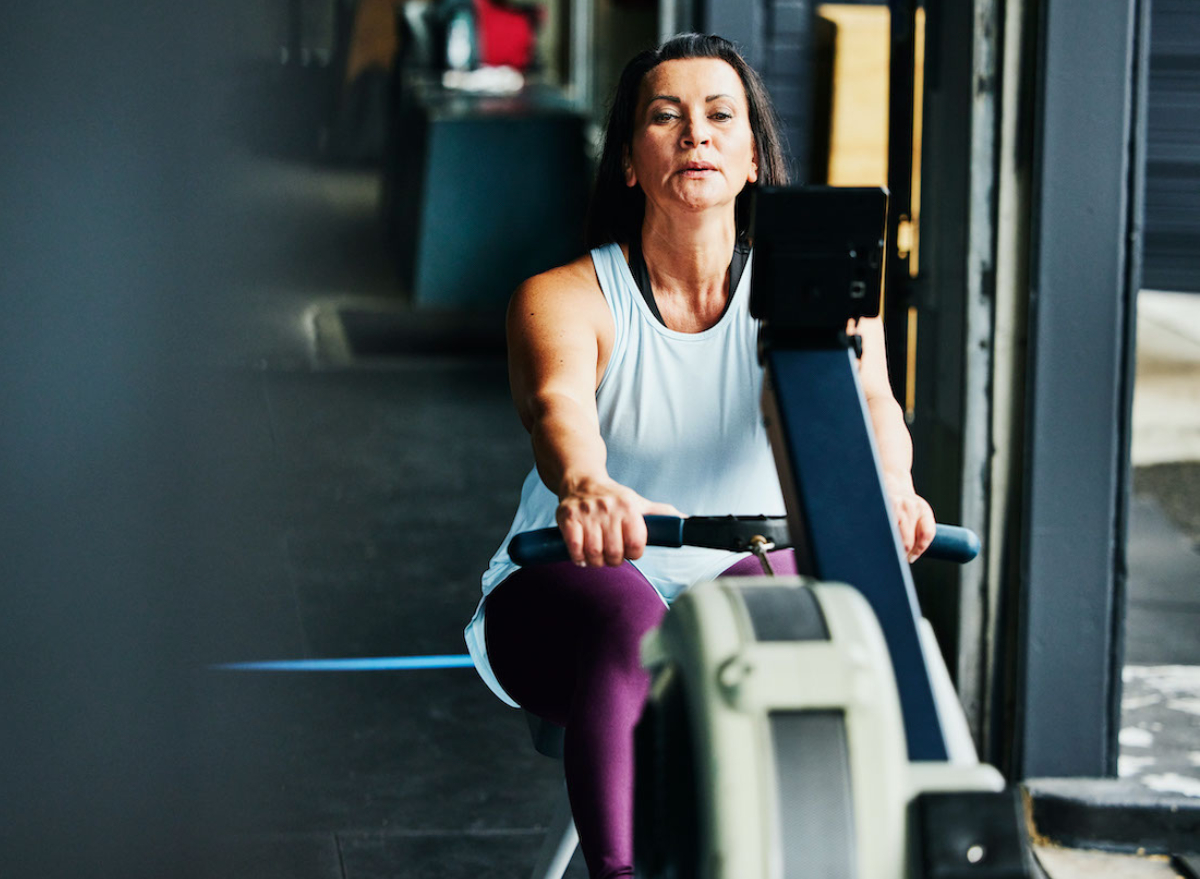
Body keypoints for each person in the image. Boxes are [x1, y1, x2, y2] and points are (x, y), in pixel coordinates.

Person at [463, 33, 936, 879]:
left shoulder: (817, 295)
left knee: (797, 600)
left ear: (753, 157)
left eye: (721, 117)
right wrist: (588, 485)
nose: (697, 136)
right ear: (632, 165)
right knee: (633, 615)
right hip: (570, 587)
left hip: (742, 572)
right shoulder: (566, 296)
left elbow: (871, 406)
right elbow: (557, 404)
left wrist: (891, 488)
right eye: (666, 117)